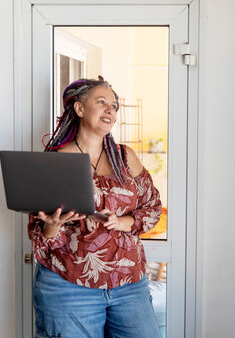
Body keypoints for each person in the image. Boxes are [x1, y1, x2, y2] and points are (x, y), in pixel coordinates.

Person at [28, 76, 163, 338]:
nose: (110, 110)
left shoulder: (126, 157)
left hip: (129, 284)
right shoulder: (54, 161)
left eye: (114, 105)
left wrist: (125, 222)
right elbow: (37, 232)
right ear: (79, 109)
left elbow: (153, 206)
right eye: (101, 102)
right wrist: (51, 228)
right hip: (68, 284)